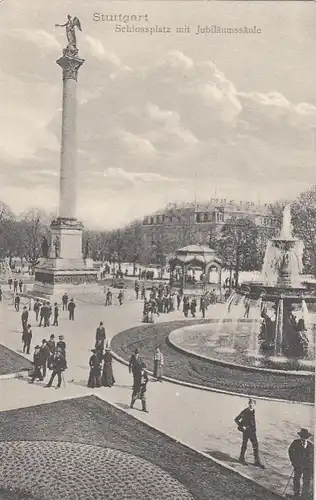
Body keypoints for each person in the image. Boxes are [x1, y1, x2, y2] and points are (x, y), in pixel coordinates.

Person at [234, 399, 265, 468]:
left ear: (254, 405)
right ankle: (241, 458)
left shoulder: (253, 410)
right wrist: (242, 427)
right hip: (246, 431)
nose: (251, 405)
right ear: (248, 404)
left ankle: (257, 462)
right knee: (244, 445)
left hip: (252, 431)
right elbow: (236, 419)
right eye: (250, 403)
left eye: (252, 404)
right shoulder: (245, 411)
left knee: (255, 446)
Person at [288, 428, 314, 499]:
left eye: (305, 437)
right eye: (302, 436)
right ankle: (296, 494)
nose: (303, 438)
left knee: (306, 481)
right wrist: (293, 462)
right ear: (300, 436)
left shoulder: (311, 446)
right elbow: (290, 452)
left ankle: (303, 496)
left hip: (307, 467)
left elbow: (313, 459)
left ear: (307, 437)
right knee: (296, 479)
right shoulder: (295, 442)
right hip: (298, 465)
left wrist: (312, 469)